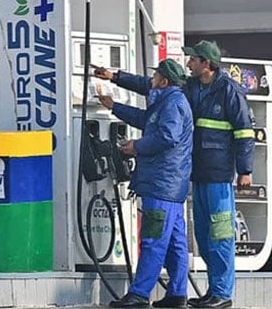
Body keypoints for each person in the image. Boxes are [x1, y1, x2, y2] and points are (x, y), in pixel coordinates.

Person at [93, 40, 254, 309]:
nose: (188, 63)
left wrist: (245, 170)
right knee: (201, 236)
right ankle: (201, 293)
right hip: (195, 173)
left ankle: (222, 293)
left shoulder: (228, 91)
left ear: (207, 63)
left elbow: (244, 132)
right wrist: (115, 77)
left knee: (220, 234)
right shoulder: (188, 88)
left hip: (217, 175)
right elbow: (149, 85)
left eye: (193, 60)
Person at [98, 59, 193, 309]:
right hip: (171, 184)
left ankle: (140, 294)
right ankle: (176, 294)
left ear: (163, 80)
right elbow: (145, 120)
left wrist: (135, 147)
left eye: (155, 76)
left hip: (161, 183)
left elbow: (165, 136)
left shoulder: (172, 103)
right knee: (175, 242)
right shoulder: (168, 100)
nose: (151, 80)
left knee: (152, 239)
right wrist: (114, 106)